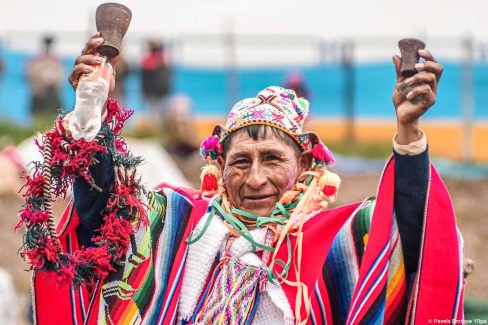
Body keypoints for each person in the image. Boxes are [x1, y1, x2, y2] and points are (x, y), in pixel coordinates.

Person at [23, 34, 464, 324]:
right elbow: (102, 220)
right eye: (240, 162)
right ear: (218, 166)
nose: (255, 178)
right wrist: (90, 120)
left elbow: (415, 237)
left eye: (272, 159)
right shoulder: (180, 222)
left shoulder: (336, 236)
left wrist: (408, 136)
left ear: (307, 167)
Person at [26, 35, 64, 118]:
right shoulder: (37, 59)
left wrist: (53, 82)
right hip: (40, 92)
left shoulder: (55, 59)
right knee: (38, 114)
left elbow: (60, 76)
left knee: (54, 114)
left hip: (52, 92)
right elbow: (31, 74)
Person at [140, 38, 172, 125]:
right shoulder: (159, 60)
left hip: (158, 92)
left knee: (156, 115)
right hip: (156, 92)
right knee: (156, 115)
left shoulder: (153, 60)